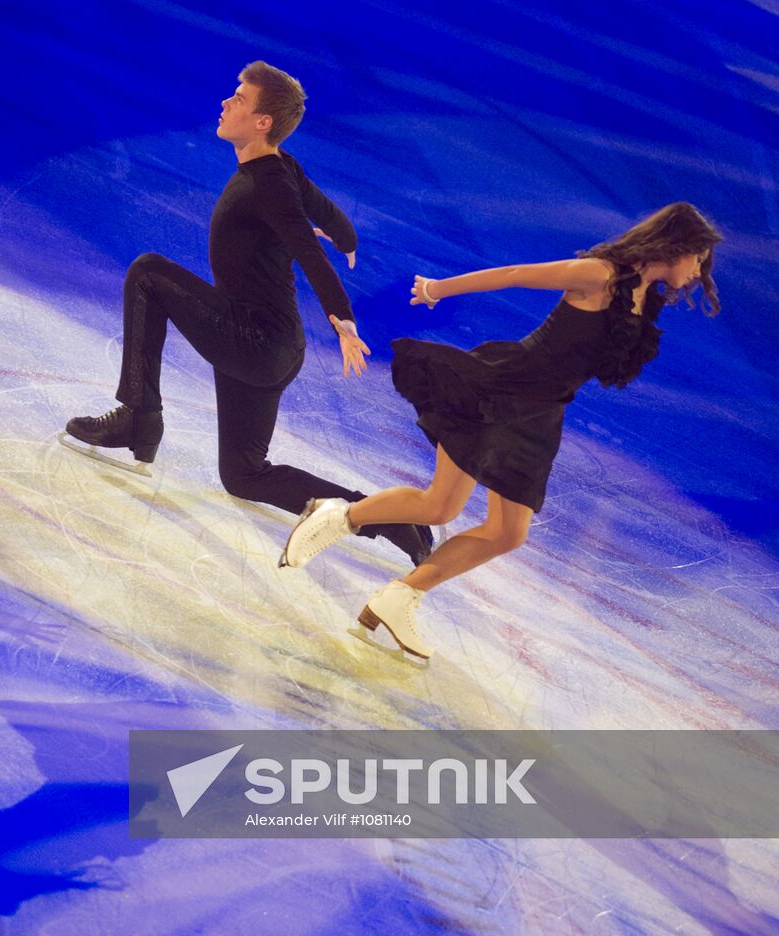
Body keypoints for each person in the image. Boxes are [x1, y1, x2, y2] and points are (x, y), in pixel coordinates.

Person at [279, 202, 723, 659]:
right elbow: (514, 274)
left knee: (509, 532)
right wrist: (436, 288)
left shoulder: (641, 295)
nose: (699, 271)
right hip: (502, 389)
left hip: (542, 413)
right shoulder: (598, 274)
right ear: (675, 246)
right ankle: (337, 515)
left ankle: (400, 597)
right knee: (439, 506)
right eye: (699, 258)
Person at [64, 61, 433, 565]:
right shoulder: (283, 167)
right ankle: (389, 519)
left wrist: (343, 320)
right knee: (244, 475)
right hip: (270, 348)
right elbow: (332, 220)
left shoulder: (272, 183)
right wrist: (347, 239)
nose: (225, 103)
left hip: (253, 342)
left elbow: (308, 250)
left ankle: (138, 418)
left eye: (238, 98)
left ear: (262, 121)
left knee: (148, 273)